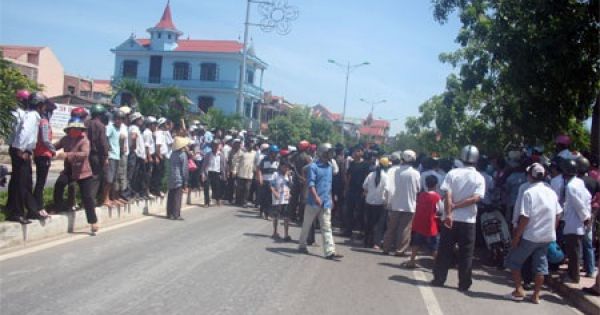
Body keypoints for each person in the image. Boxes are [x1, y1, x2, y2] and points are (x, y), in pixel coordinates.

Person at [504, 163, 562, 304]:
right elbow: (559, 214)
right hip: (546, 236)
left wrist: (516, 237)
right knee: (540, 267)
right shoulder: (551, 192)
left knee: (514, 261)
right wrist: (552, 230)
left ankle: (519, 290)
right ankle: (536, 296)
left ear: (530, 175)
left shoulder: (528, 192)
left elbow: (525, 217)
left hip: (531, 236)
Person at [432, 145, 486, 292]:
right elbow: (476, 198)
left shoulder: (452, 173)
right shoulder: (479, 177)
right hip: (468, 221)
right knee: (466, 253)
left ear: (462, 157)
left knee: (445, 250)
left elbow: (448, 195)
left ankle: (439, 279)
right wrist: (457, 206)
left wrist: (449, 212)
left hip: (450, 218)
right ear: (476, 160)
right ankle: (464, 283)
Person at [6, 92, 47, 224]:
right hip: (21, 151)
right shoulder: (32, 116)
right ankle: (16, 213)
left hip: (23, 150)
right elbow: (24, 132)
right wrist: (21, 149)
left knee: (26, 182)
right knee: (20, 183)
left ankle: (32, 210)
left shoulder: (30, 115)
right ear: (40, 105)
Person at [53, 118, 99, 235]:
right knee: (59, 184)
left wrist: (67, 155)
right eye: (73, 129)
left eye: (78, 129)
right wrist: (47, 150)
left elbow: (84, 154)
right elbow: (55, 146)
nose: (75, 131)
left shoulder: (84, 140)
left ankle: (93, 221)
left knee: (87, 197)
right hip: (69, 170)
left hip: (83, 172)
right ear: (69, 130)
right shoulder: (65, 139)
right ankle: (58, 207)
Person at [298, 143, 343, 260]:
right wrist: (316, 197)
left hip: (326, 202)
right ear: (323, 153)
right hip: (313, 202)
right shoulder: (314, 167)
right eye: (329, 152)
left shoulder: (329, 166)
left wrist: (331, 198)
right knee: (306, 225)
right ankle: (302, 245)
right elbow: (310, 184)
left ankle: (330, 252)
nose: (331, 155)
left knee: (327, 227)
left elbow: (329, 185)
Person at [382, 150, 421, 255]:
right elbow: (418, 189)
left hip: (395, 203)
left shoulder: (396, 171)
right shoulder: (416, 173)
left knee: (391, 228)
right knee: (404, 229)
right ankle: (400, 250)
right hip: (409, 205)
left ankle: (386, 248)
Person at [560, 158, 592, 284]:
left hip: (574, 223)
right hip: (577, 221)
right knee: (575, 251)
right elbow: (587, 197)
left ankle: (574, 276)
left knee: (573, 252)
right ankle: (572, 274)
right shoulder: (579, 182)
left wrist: (585, 217)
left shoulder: (571, 186)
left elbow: (578, 204)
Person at [404, 175, 443, 268]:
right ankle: (437, 264)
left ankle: (412, 261)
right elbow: (440, 210)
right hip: (430, 224)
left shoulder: (421, 195)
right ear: (436, 185)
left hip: (419, 223)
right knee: (434, 246)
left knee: (416, 243)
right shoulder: (437, 197)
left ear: (426, 184)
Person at [575, 156, 599, 278]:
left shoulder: (575, 182)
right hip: (590, 212)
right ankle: (589, 269)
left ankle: (576, 270)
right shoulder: (593, 181)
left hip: (577, 214)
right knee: (588, 242)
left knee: (577, 242)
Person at [33, 100, 57, 210]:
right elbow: (45, 140)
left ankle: (36, 205)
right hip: (43, 155)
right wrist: (53, 150)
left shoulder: (41, 121)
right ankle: (38, 206)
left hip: (40, 154)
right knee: (41, 183)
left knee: (40, 182)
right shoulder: (44, 123)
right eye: (51, 112)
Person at [345, 145, 371, 238]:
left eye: (359, 151)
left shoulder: (366, 164)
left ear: (362, 153)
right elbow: (348, 177)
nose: (356, 153)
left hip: (361, 191)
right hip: (351, 191)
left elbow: (367, 178)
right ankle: (348, 231)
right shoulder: (352, 164)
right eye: (355, 151)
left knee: (360, 212)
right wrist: (346, 189)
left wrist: (365, 191)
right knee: (349, 211)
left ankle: (361, 232)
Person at [362, 157, 389, 248]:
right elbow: (387, 190)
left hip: (369, 202)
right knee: (379, 224)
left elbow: (364, 186)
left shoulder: (370, 175)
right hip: (380, 203)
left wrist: (368, 194)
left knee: (369, 222)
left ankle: (366, 241)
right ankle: (376, 243)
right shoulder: (386, 177)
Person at [85, 104, 109, 200]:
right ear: (100, 115)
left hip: (86, 153)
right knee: (96, 177)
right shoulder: (101, 126)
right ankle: (91, 199)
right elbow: (103, 143)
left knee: (87, 177)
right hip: (96, 155)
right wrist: (105, 156)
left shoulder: (86, 123)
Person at [103, 111, 125, 207]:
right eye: (117, 118)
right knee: (109, 179)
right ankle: (105, 199)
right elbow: (105, 138)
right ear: (114, 119)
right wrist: (106, 154)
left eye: (121, 119)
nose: (119, 120)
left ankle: (113, 198)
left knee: (114, 179)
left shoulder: (118, 129)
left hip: (117, 155)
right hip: (111, 155)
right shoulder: (110, 127)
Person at [167, 135, 190, 220]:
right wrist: (186, 181)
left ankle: (169, 213)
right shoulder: (182, 155)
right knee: (177, 196)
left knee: (171, 195)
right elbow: (184, 169)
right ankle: (176, 214)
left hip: (171, 176)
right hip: (178, 177)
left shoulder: (172, 154)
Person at [270, 162, 293, 241]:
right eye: (284, 167)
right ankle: (275, 232)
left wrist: (289, 177)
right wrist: (275, 192)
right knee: (276, 216)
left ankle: (286, 234)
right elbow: (271, 185)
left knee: (286, 217)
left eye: (287, 167)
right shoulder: (275, 174)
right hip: (277, 198)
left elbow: (291, 186)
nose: (286, 168)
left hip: (285, 198)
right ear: (280, 167)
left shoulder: (288, 176)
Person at [201, 140, 228, 207]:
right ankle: (206, 202)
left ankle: (218, 199)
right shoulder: (208, 155)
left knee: (217, 187)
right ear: (212, 146)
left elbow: (224, 166)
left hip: (217, 172)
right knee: (206, 187)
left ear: (219, 146)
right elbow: (204, 165)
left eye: (217, 145)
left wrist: (224, 174)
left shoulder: (221, 155)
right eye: (214, 145)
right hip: (209, 172)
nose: (215, 147)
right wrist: (203, 174)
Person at [257, 145, 280, 219]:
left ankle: (268, 213)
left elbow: (278, 172)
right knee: (263, 197)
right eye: (274, 153)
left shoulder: (277, 161)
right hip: (265, 181)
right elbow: (259, 169)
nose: (275, 154)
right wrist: (260, 178)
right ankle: (262, 211)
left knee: (270, 199)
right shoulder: (264, 160)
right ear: (270, 152)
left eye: (276, 153)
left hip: (272, 182)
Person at [127, 112, 146, 199]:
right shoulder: (134, 128)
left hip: (136, 154)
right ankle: (132, 193)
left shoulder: (133, 127)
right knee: (134, 174)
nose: (141, 121)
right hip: (135, 154)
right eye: (140, 119)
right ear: (136, 120)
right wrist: (134, 147)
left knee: (136, 174)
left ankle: (134, 192)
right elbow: (133, 137)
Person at [116, 107, 132, 201]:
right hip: (120, 154)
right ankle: (119, 195)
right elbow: (121, 139)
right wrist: (122, 149)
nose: (129, 118)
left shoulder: (125, 127)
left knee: (123, 174)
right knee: (120, 174)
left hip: (124, 154)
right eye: (128, 116)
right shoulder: (121, 127)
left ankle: (122, 194)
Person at [151, 118, 169, 198]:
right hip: (160, 156)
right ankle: (156, 190)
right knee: (157, 174)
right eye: (166, 123)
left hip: (162, 155)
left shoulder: (163, 133)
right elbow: (158, 145)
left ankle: (158, 189)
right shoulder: (159, 133)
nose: (167, 125)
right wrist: (158, 156)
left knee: (161, 174)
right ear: (162, 124)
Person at [235, 142, 257, 207]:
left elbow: (256, 163)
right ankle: (239, 201)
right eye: (250, 146)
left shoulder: (255, 154)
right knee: (240, 188)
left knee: (247, 188)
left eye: (252, 146)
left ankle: (244, 202)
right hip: (241, 173)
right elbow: (237, 162)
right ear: (247, 146)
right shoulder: (242, 152)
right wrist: (235, 171)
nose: (251, 147)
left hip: (249, 174)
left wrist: (255, 171)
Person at [142, 117, 158, 198]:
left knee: (150, 174)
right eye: (154, 124)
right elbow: (146, 146)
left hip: (150, 155)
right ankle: (146, 192)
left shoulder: (150, 133)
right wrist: (149, 157)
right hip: (148, 156)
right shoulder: (147, 133)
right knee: (148, 175)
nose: (155, 126)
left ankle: (148, 191)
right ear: (150, 125)